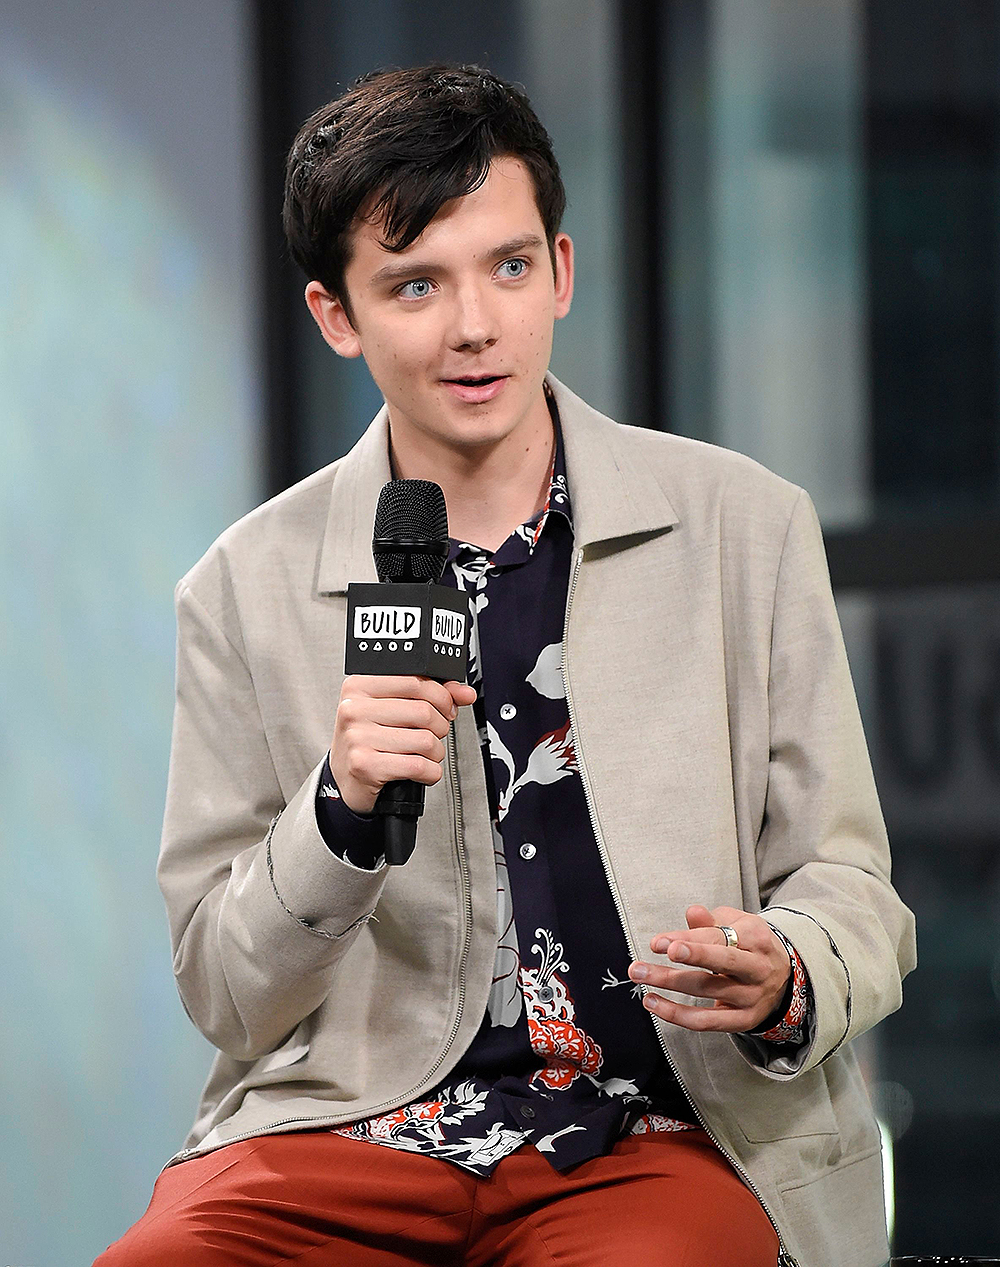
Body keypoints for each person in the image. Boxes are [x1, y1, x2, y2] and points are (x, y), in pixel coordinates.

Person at [96, 63, 916, 1267]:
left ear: (562, 272)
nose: (475, 325)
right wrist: (337, 808)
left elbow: (853, 886)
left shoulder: (743, 526)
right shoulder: (243, 584)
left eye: (510, 266)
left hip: (659, 1127)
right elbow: (225, 991)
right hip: (354, 1128)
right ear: (338, 315)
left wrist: (786, 969)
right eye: (416, 284)